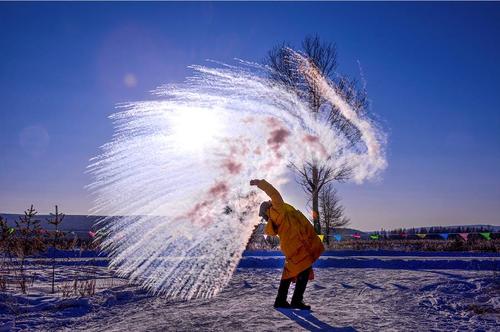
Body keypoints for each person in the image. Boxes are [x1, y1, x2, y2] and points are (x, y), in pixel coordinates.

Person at [250, 179, 324, 310]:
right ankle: (296, 300)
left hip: (290, 247)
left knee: (289, 273)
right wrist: (259, 183)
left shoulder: (274, 219)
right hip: (297, 246)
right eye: (269, 202)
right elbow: (274, 193)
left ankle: (280, 300)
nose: (270, 201)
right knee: (304, 271)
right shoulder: (277, 209)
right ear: (269, 207)